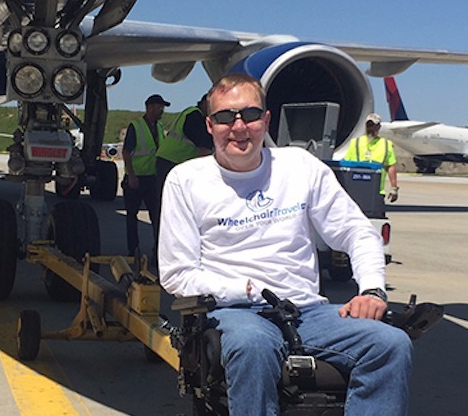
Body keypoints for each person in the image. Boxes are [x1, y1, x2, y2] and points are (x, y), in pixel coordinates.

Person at [160, 74, 411, 415]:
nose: (238, 126)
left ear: (265, 120)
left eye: (249, 115)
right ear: (209, 125)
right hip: (236, 312)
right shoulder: (186, 180)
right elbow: (177, 274)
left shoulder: (300, 167)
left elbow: (356, 230)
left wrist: (372, 290)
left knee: (390, 344)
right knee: (252, 346)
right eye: (224, 117)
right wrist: (242, 289)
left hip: (308, 310)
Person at [155, 93, 214, 224]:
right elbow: (205, 147)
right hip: (172, 162)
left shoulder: (190, 112)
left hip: (168, 160)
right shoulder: (195, 117)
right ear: (205, 103)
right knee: (171, 206)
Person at [122, 94, 169, 256]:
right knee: (132, 217)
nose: (161, 110)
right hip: (136, 178)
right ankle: (133, 249)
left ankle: (158, 250)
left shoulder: (160, 128)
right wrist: (132, 175)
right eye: (159, 107)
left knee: (156, 216)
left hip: (152, 179)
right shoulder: (136, 126)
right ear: (149, 107)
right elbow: (126, 152)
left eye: (162, 107)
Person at [343, 113, 400, 202]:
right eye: (369, 125)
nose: (371, 128)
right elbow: (346, 166)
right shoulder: (355, 143)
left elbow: (390, 166)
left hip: (377, 192)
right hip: (356, 190)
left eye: (373, 125)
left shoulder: (386, 145)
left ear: (379, 127)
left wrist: (394, 187)